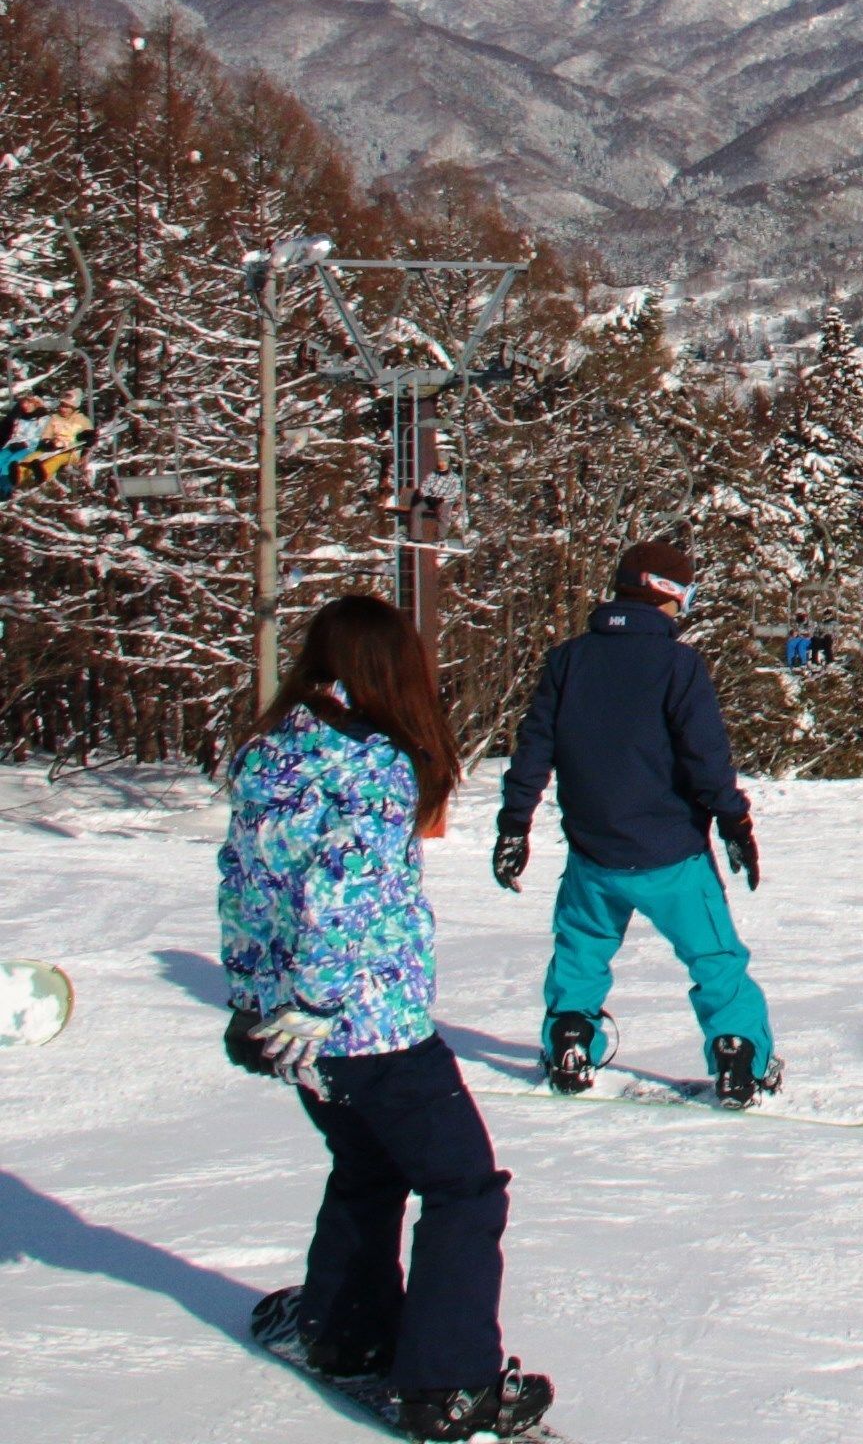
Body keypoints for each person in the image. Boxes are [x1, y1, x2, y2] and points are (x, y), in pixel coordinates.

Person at [218, 594, 552, 1440]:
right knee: (463, 1188)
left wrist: (254, 1003)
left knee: (368, 1169)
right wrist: (317, 1003)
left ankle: (345, 1331)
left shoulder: (270, 753)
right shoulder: (372, 764)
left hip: (303, 1035)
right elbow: (341, 898)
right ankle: (449, 1383)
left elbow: (242, 884)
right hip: (369, 1027)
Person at [493, 541, 777, 1107]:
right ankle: (739, 1057)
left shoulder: (568, 660)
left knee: (581, 951)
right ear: (667, 592)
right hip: (672, 854)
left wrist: (514, 825)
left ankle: (571, 1041)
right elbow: (706, 757)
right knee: (715, 959)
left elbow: (533, 749)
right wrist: (734, 823)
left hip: (593, 854)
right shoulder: (678, 664)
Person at [0, 393, 49, 497]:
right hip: (14, 444)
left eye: (28, 403)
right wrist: (13, 442)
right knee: (1, 457)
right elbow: (14, 433)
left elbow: (39, 436)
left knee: (10, 462)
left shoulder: (43, 419)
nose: (25, 405)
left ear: (35, 404)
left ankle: (5, 489)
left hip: (29, 447)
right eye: (23, 403)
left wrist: (25, 443)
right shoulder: (20, 417)